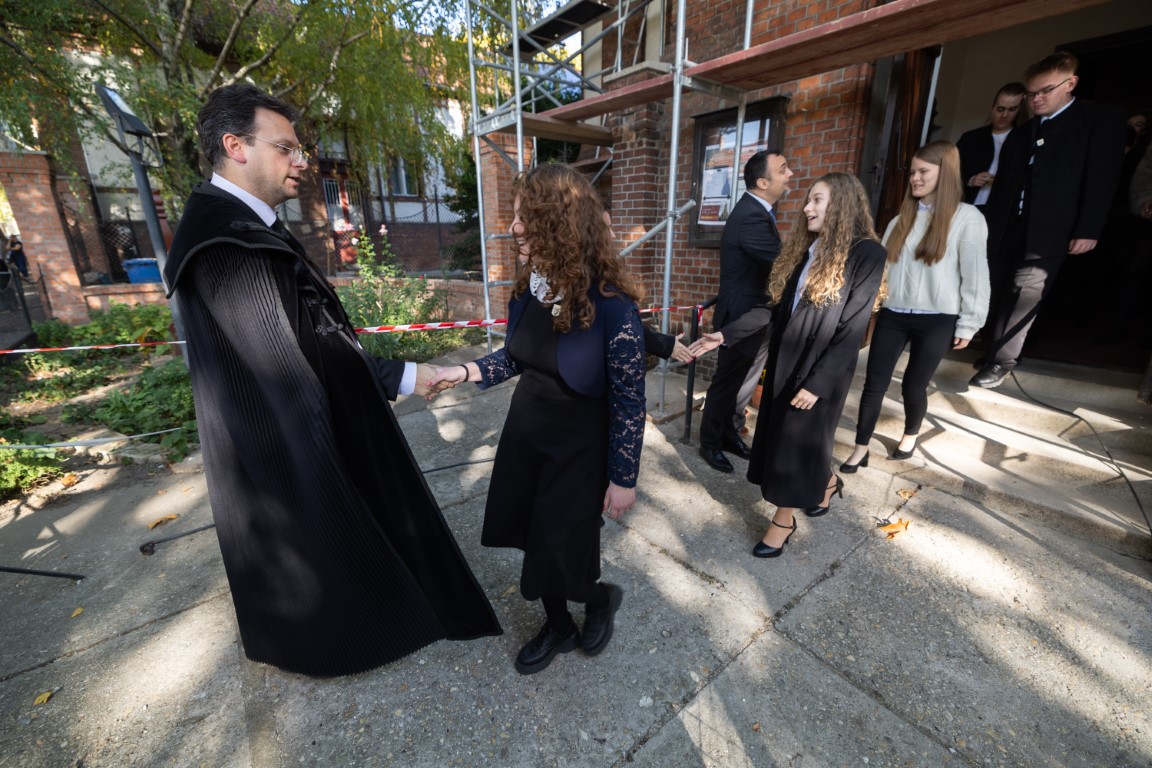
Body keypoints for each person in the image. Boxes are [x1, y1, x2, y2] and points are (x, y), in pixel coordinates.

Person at [162, 83, 501, 677]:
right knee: (332, 546)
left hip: (284, 424)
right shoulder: (228, 243)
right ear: (236, 146)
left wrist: (401, 375)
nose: (302, 162)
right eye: (286, 148)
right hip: (282, 440)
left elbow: (310, 335)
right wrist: (398, 382)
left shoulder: (242, 224)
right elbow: (289, 367)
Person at [427, 164, 646, 675]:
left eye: (526, 215)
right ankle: (559, 624)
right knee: (533, 537)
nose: (515, 226)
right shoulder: (530, 289)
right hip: (527, 432)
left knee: (560, 546)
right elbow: (514, 357)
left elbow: (630, 400)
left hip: (579, 446)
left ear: (560, 222)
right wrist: (463, 371)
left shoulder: (613, 308)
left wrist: (623, 478)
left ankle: (598, 600)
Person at [690, 173, 886, 558]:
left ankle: (782, 522)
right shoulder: (809, 250)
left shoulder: (867, 254)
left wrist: (818, 383)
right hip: (785, 363)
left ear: (842, 204)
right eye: (809, 200)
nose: (806, 208)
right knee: (785, 439)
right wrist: (725, 334)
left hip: (820, 370)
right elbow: (774, 310)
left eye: (817, 200)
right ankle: (827, 483)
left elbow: (852, 328)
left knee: (796, 446)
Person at [970, 51, 1126, 389]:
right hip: (1007, 227)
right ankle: (992, 351)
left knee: (1026, 292)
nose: (1036, 99)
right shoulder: (1022, 133)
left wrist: (1088, 229)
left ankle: (1001, 361)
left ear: (1071, 83)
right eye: (1031, 93)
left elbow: (1102, 180)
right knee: (997, 288)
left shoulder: (1097, 120)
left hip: (1052, 230)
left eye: (1045, 91)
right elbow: (1004, 187)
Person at [842, 141, 989, 472]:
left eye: (923, 171)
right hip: (893, 314)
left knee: (913, 385)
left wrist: (970, 323)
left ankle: (910, 434)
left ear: (945, 173)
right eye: (912, 172)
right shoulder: (900, 220)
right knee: (874, 382)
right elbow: (881, 272)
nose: (915, 178)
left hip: (937, 319)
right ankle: (860, 446)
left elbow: (976, 275)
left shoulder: (968, 218)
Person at [698, 149, 792, 474]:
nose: (790, 174)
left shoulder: (758, 211)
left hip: (757, 313)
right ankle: (709, 442)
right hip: (741, 316)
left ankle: (728, 435)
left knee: (742, 383)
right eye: (783, 169)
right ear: (763, 182)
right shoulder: (751, 215)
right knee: (726, 383)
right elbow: (782, 263)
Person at [956, 82, 1027, 212]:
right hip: (967, 205)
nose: (1005, 115)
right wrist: (971, 180)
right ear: (992, 108)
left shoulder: (1024, 141)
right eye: (1000, 109)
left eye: (1012, 109)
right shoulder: (970, 138)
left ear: (1020, 110)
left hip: (1003, 209)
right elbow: (950, 171)